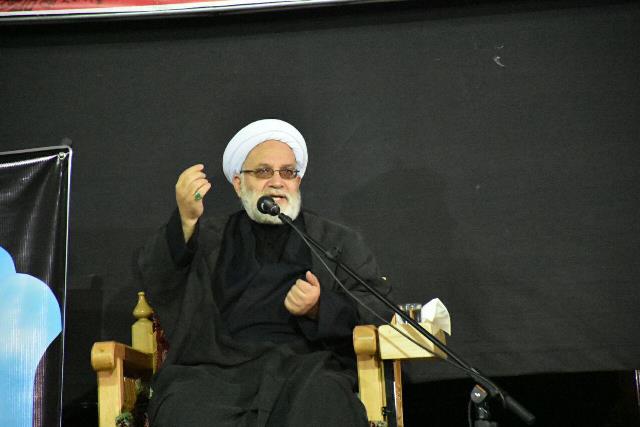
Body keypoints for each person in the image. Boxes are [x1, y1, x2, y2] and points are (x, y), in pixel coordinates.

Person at [137, 119, 391, 427]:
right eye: (263, 172)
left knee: (324, 399)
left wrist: (320, 307)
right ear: (238, 183)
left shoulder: (335, 241)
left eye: (288, 172)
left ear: (297, 181)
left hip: (307, 367)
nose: (277, 182)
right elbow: (160, 277)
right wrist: (186, 222)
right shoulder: (207, 239)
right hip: (215, 369)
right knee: (183, 406)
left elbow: (376, 308)